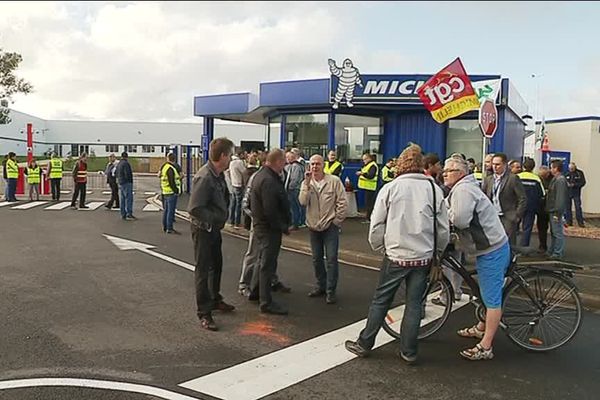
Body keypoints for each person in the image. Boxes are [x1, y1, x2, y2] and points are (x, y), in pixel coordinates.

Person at [345, 144, 449, 364]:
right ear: (421, 165)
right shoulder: (433, 189)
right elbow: (442, 229)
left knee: (381, 301)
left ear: (401, 164)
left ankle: (365, 343)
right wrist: (436, 252)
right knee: (414, 304)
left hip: (395, 255)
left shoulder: (391, 188)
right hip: (423, 257)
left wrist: (381, 247)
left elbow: (376, 226)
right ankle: (409, 351)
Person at [443, 156, 511, 361]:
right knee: (484, 291)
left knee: (491, 299)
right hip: (488, 246)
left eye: (449, 170)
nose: (444, 173)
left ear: (460, 173)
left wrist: (446, 221)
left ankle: (486, 346)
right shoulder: (462, 188)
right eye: (444, 170)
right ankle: (482, 328)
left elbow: (461, 220)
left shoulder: (463, 190)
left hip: (491, 249)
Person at [188, 137, 236, 331]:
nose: (231, 159)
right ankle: (204, 312)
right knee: (203, 270)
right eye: (230, 155)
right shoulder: (205, 177)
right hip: (203, 229)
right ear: (223, 156)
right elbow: (195, 208)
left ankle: (215, 299)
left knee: (217, 265)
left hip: (213, 229)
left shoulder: (218, 174)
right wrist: (215, 218)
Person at [299, 154, 348, 304]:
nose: (315, 167)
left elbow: (342, 202)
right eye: (312, 164)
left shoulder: (334, 181)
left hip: (330, 226)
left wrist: (336, 221)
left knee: (332, 259)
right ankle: (321, 285)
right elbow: (302, 202)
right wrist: (306, 185)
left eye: (318, 164)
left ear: (323, 165)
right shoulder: (306, 183)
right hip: (313, 226)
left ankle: (330, 290)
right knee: (316, 259)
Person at [249, 149, 291, 315]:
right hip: (269, 229)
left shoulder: (263, 176)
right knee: (268, 264)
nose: (285, 164)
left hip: (262, 226)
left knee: (262, 260)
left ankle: (255, 292)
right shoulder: (268, 180)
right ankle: (266, 302)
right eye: (284, 161)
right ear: (278, 162)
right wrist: (283, 226)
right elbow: (270, 210)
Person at [481, 153, 527, 246]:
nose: (495, 167)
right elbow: (483, 197)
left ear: (504, 165)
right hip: (492, 216)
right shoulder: (488, 179)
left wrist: (517, 215)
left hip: (508, 216)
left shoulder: (513, 178)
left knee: (508, 243)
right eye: (493, 164)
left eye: (498, 164)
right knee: (494, 242)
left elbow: (522, 198)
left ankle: (510, 259)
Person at [518, 158, 545, 247]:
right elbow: (542, 194)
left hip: (518, 206)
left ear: (523, 166)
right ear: (533, 167)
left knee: (513, 226)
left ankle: (511, 247)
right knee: (527, 227)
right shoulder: (536, 178)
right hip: (531, 206)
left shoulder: (518, 177)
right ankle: (524, 247)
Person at [546, 160, 569, 260]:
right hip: (552, 209)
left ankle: (557, 253)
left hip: (555, 210)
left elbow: (560, 198)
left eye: (551, 167)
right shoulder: (556, 179)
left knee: (557, 232)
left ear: (555, 168)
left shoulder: (560, 180)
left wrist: (557, 212)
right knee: (554, 232)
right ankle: (553, 250)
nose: (550, 170)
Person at [160, 153, 181, 234]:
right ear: (174, 159)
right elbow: (172, 181)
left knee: (166, 210)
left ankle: (165, 226)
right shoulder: (171, 168)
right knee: (170, 211)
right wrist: (176, 190)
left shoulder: (165, 167)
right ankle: (169, 228)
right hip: (171, 192)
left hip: (165, 191)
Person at [284, 150, 305, 230]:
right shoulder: (289, 166)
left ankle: (296, 223)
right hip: (290, 189)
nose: (286, 159)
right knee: (292, 207)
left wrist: (289, 187)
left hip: (294, 190)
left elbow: (295, 179)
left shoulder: (296, 166)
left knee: (295, 207)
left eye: (287, 157)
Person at [356, 153, 378, 222]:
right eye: (363, 159)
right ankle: (368, 217)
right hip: (367, 187)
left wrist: (362, 173)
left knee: (369, 204)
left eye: (365, 159)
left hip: (370, 187)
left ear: (369, 158)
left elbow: (371, 176)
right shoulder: (367, 165)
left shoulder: (373, 166)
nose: (364, 161)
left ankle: (369, 218)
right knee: (368, 203)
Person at [536, 166, 552, 254]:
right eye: (541, 176)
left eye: (544, 175)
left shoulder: (553, 180)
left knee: (554, 230)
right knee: (542, 228)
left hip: (550, 207)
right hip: (541, 208)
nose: (542, 177)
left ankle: (553, 248)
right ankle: (542, 245)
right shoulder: (538, 179)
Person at [565, 162, 586, 227]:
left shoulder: (579, 173)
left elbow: (583, 182)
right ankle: (569, 222)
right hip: (568, 193)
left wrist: (574, 185)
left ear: (575, 167)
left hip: (576, 193)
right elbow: (563, 181)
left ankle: (580, 222)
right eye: (570, 168)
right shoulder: (566, 173)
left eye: (572, 168)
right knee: (567, 208)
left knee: (578, 207)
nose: (571, 169)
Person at [228, 151, 246, 228]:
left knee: (233, 203)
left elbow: (228, 172)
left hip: (233, 184)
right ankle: (237, 223)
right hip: (239, 184)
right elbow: (244, 172)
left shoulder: (231, 162)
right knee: (239, 204)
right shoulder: (239, 162)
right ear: (240, 154)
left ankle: (231, 221)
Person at [116, 152, 135, 220]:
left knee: (122, 199)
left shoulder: (119, 164)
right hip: (127, 183)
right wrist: (129, 180)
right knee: (129, 199)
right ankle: (129, 213)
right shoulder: (126, 164)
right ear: (126, 157)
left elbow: (116, 173)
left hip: (121, 182)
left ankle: (123, 213)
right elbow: (127, 173)